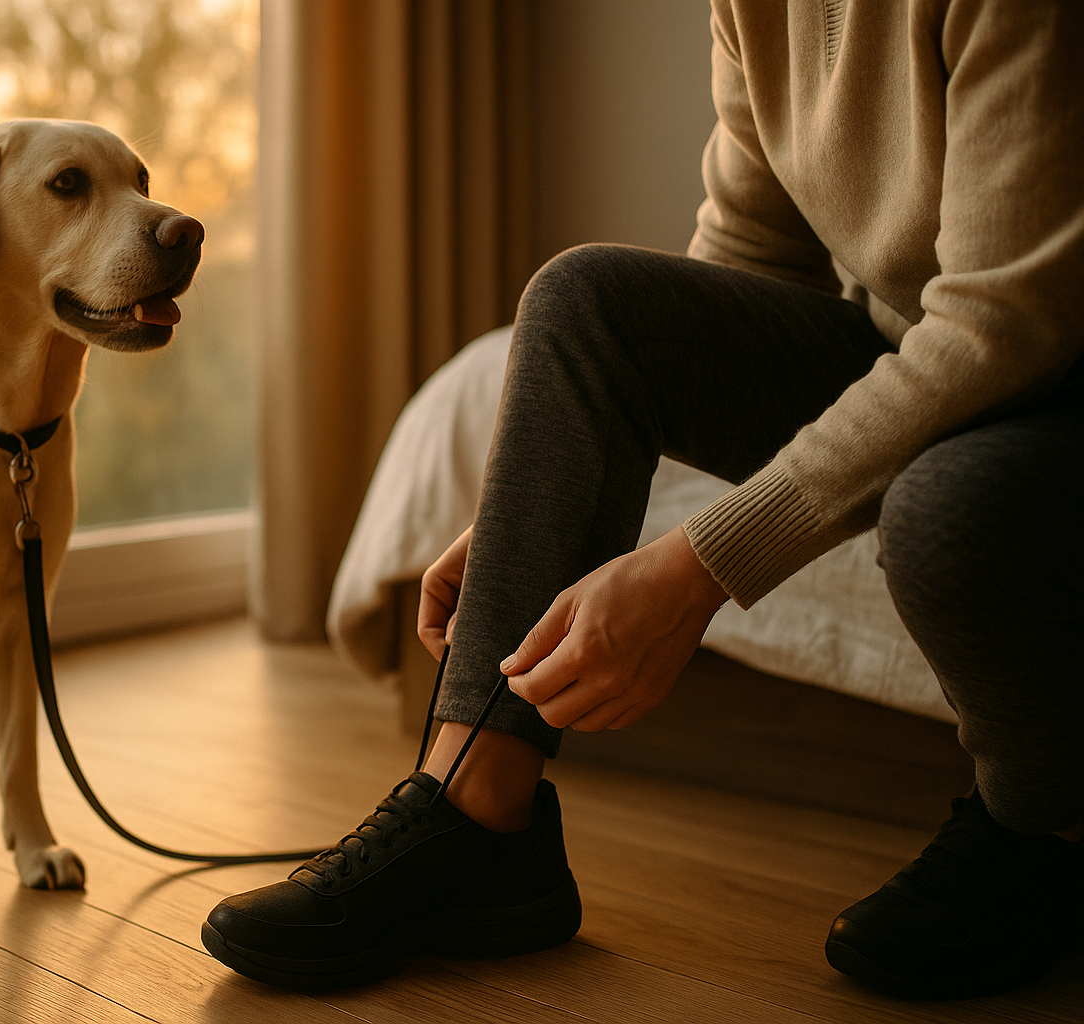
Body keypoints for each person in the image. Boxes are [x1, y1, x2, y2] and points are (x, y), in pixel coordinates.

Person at [200, 0, 1083, 998]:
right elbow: (745, 263)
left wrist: (702, 564)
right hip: (921, 342)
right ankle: (477, 820)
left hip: (1055, 369)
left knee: (944, 511)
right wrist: (526, 514)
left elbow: (1010, 318)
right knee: (589, 302)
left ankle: (1041, 830)